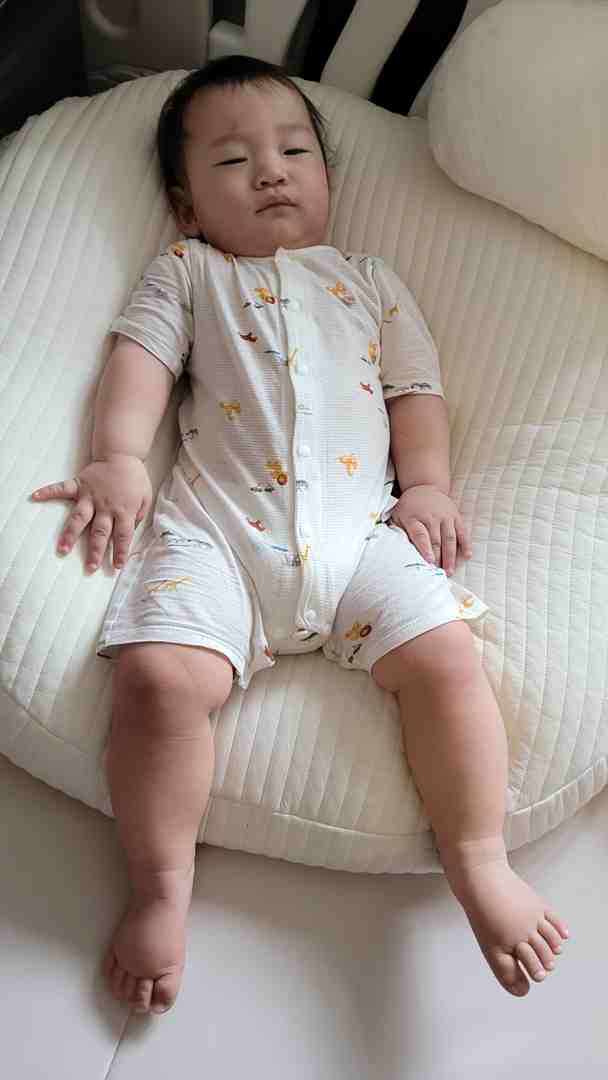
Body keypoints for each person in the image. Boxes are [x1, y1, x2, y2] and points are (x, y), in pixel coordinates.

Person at [30, 55, 568, 1016]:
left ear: (327, 177)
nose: (271, 172)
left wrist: (429, 485)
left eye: (293, 152)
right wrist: (119, 457)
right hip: (218, 536)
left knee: (447, 659)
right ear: (186, 206)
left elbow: (415, 391)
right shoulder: (191, 272)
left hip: (362, 534)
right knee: (156, 680)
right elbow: (138, 361)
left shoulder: (369, 281)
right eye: (234, 161)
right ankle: (160, 885)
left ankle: (479, 856)